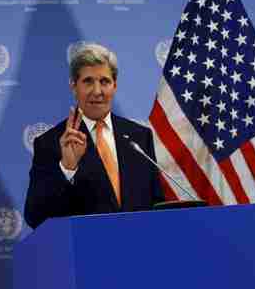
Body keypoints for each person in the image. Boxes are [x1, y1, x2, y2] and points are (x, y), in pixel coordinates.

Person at [24, 44, 164, 229]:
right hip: (85, 252)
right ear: (74, 86)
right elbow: (35, 217)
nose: (97, 91)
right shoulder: (50, 143)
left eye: (104, 81)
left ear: (115, 85)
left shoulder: (140, 136)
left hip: (139, 249)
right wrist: (67, 168)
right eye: (88, 81)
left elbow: (157, 205)